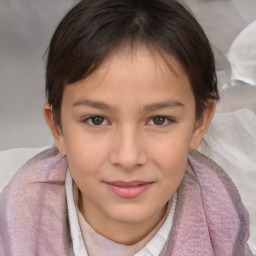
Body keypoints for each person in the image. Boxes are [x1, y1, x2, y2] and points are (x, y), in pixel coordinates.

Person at [0, 0, 253, 255]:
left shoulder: (223, 226)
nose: (128, 157)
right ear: (57, 126)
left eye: (159, 120)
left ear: (200, 122)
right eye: (96, 120)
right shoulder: (16, 223)